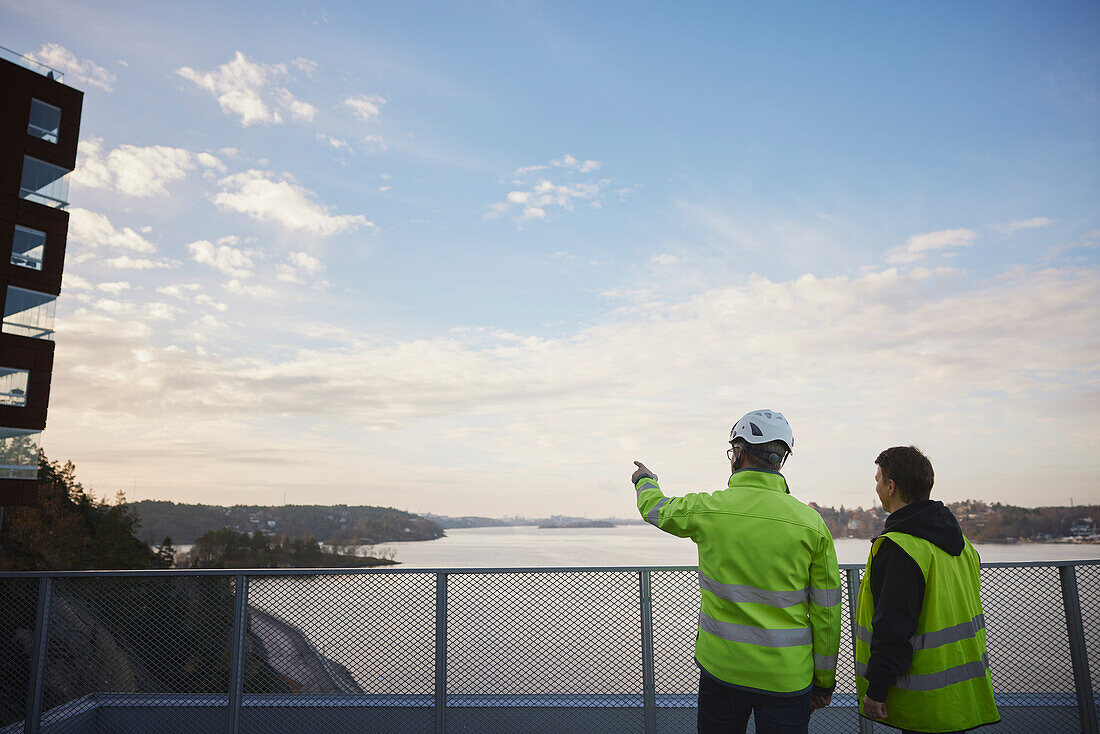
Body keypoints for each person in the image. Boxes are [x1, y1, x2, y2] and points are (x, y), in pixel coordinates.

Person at [632, 409, 841, 734]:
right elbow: (827, 613)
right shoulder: (811, 524)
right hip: (787, 676)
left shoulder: (708, 508)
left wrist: (645, 480)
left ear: (739, 453)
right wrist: (824, 683)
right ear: (780, 459)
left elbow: (655, 509)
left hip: (723, 671)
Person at [856, 446, 999, 733]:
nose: (876, 486)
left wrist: (877, 688)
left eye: (878, 479)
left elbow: (893, 626)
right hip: (963, 697)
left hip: (925, 703)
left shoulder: (899, 548)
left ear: (891, 486)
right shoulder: (962, 545)